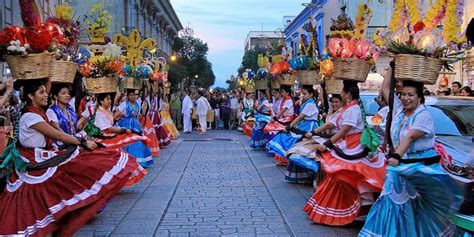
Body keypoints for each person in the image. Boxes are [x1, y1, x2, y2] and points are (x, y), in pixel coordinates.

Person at [0, 79, 142, 236]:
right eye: (41, 92)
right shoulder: (32, 116)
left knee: (51, 197)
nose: (45, 95)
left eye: (46, 91)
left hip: (44, 157)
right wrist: (82, 142)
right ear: (30, 96)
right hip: (36, 162)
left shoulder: (41, 112)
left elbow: (70, 129)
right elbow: (57, 134)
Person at [360, 67, 461, 236]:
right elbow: (385, 88)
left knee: (414, 213)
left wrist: (396, 155)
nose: (406, 98)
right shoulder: (399, 110)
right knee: (390, 204)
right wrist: (392, 67)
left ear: (420, 98)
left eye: (411, 95)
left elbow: (410, 137)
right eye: (403, 94)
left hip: (418, 171)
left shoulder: (423, 115)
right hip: (400, 169)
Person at [303, 81, 386, 226]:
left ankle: (348, 209)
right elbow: (331, 124)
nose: (340, 94)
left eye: (342, 91)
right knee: (340, 175)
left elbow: (344, 130)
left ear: (347, 94)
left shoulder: (353, 109)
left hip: (354, 146)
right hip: (348, 144)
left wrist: (327, 144)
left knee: (347, 174)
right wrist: (314, 132)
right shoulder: (347, 108)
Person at [285, 95, 343, 184]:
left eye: (336, 102)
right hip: (324, 136)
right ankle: (309, 175)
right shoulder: (331, 112)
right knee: (299, 146)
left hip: (336, 140)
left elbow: (328, 125)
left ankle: (318, 175)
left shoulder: (341, 113)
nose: (334, 104)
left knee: (312, 151)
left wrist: (312, 132)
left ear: (341, 103)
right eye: (332, 102)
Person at [267, 86, 319, 166]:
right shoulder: (307, 102)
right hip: (303, 124)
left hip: (308, 126)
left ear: (311, 94)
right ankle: (288, 160)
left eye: (304, 94)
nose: (302, 96)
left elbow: (300, 117)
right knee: (294, 141)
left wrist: (289, 127)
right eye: (302, 94)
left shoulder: (310, 104)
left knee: (297, 141)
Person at [116, 89, 153, 168]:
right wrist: (122, 118)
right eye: (130, 95)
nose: (133, 97)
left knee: (139, 141)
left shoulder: (137, 104)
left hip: (136, 125)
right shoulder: (124, 104)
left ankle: (139, 161)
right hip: (126, 125)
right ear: (128, 96)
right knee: (129, 142)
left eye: (134, 95)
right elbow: (116, 115)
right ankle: (129, 161)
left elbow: (138, 115)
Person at [138, 88, 160, 157]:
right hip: (140, 118)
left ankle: (148, 149)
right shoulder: (138, 101)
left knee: (148, 133)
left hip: (145, 118)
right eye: (141, 93)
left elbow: (146, 110)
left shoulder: (146, 100)